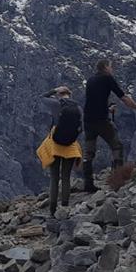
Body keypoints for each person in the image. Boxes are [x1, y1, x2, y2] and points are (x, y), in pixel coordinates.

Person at [82, 59, 136, 191]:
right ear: (106, 67)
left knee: (89, 152)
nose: (112, 69)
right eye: (111, 66)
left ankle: (88, 184)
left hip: (88, 120)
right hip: (101, 120)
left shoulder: (90, 80)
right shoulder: (108, 78)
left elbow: (94, 99)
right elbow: (123, 97)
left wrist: (107, 108)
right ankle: (118, 180)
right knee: (117, 146)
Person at [37, 86, 83, 215]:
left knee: (54, 177)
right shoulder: (78, 108)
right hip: (70, 146)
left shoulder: (55, 104)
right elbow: (81, 127)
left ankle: (52, 211)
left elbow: (42, 97)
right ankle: (65, 208)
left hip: (55, 145)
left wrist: (53, 90)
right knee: (66, 177)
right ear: (70, 94)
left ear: (59, 94)